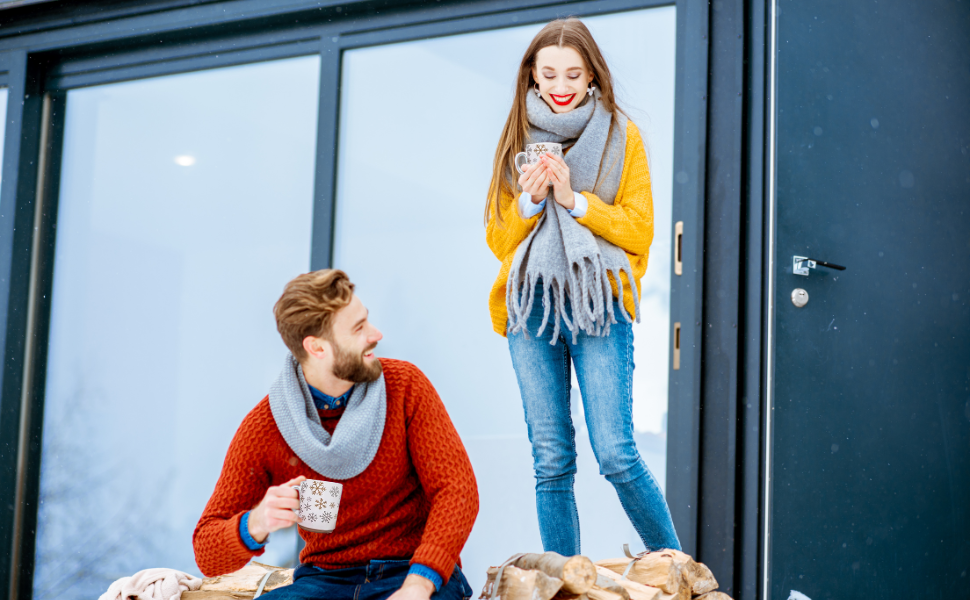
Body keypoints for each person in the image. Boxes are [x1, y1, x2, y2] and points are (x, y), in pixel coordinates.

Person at [484, 18, 680, 556]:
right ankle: (564, 583)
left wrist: (573, 200)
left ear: (592, 74)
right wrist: (530, 201)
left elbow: (640, 228)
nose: (561, 84)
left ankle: (681, 571)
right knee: (551, 459)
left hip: (599, 305)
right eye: (549, 73)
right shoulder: (516, 140)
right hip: (532, 311)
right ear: (533, 76)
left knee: (616, 453)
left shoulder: (622, 134)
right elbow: (500, 241)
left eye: (573, 72)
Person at [193, 269, 479, 600]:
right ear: (316, 348)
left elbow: (457, 492)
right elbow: (206, 550)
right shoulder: (267, 426)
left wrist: (418, 584)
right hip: (323, 582)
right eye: (359, 329)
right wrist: (255, 523)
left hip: (411, 571)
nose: (376, 334)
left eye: (367, 320)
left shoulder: (406, 388)